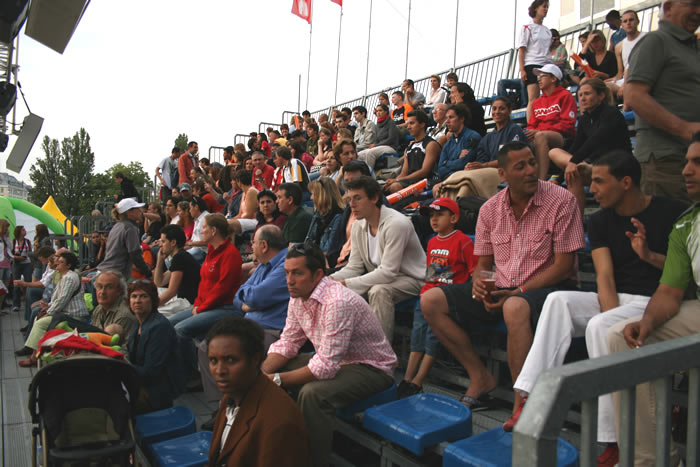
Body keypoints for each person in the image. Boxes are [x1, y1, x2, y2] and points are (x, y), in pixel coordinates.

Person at [510, 152, 687, 464]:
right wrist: (610, 312)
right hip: (615, 297)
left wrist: (648, 255)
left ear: (626, 182)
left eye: (600, 182)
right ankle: (530, 395)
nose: (592, 190)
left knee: (600, 326)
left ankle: (612, 437)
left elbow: (680, 274)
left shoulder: (670, 212)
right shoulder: (600, 220)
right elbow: (604, 275)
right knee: (558, 301)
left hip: (653, 301)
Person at [421, 141, 585, 415]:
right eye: (520, 166)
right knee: (431, 301)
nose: (530, 170)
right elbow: (484, 265)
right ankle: (480, 376)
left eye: (532, 162)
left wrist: (518, 291)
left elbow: (564, 266)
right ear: (503, 174)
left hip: (551, 288)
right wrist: (483, 287)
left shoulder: (561, 200)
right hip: (504, 286)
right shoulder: (490, 209)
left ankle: (523, 402)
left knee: (514, 306)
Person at [607, 134, 700, 466]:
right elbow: (670, 291)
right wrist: (645, 325)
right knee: (621, 337)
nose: (686, 170)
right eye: (686, 162)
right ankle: (651, 460)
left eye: (697, 162)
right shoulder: (686, 224)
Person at [262, 242, 397, 467]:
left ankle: (311, 461)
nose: (289, 280)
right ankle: (283, 438)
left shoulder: (338, 302)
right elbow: (289, 342)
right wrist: (261, 373)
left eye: (297, 273)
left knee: (313, 394)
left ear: (317, 275)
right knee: (276, 365)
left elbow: (325, 366)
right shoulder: (298, 296)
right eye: (287, 273)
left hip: (371, 367)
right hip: (338, 360)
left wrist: (274, 380)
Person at [198, 226, 292, 419]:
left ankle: (237, 409)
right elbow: (238, 296)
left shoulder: (286, 265)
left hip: (272, 331)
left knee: (230, 353)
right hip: (249, 326)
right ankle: (224, 407)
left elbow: (256, 296)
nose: (251, 247)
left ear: (264, 245)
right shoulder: (264, 265)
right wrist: (247, 304)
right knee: (206, 347)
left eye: (253, 243)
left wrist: (249, 300)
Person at [331, 176, 426, 341]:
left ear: (374, 198)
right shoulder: (358, 225)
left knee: (379, 291)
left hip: (413, 278)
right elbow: (354, 267)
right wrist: (329, 280)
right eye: (349, 199)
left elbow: (388, 272)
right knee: (331, 287)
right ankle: (337, 344)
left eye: (357, 198)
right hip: (384, 277)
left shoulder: (397, 224)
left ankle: (380, 351)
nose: (352, 204)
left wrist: (345, 284)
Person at [399, 198, 476, 399]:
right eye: (431, 215)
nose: (434, 219)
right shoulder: (432, 241)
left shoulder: (463, 241)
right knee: (417, 337)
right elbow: (431, 272)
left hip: (445, 301)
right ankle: (407, 379)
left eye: (440, 214)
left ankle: (417, 381)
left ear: (454, 218)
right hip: (426, 295)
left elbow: (474, 271)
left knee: (432, 339)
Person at [206, 317, 310, 467]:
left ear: (255, 359)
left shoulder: (279, 422)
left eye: (230, 360)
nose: (219, 371)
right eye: (213, 361)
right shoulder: (231, 395)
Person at [624, 0, 700, 201]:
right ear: (668, 8)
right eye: (692, 4)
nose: (698, 11)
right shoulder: (656, 41)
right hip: (665, 162)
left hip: (689, 159)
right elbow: (633, 95)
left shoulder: (692, 47)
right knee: (669, 220)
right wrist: (685, 129)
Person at [168, 213, 243, 383]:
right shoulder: (211, 252)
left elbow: (222, 288)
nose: (201, 231)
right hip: (208, 306)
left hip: (225, 307)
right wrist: (197, 304)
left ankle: (192, 376)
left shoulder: (230, 254)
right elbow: (204, 284)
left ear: (213, 230)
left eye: (203, 228)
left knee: (180, 330)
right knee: (168, 323)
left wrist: (201, 308)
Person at [549, 78, 631, 210]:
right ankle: (576, 221)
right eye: (580, 95)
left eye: (587, 94)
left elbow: (596, 140)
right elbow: (576, 148)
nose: (582, 98)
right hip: (593, 166)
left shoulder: (611, 114)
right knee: (557, 155)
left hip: (616, 166)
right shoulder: (585, 119)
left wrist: (573, 162)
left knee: (576, 169)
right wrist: (558, 179)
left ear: (601, 95)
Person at [17, 252, 89, 367]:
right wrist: (48, 305)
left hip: (72, 315)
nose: (57, 264)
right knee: (38, 317)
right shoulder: (65, 276)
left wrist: (48, 312)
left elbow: (62, 300)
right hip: (65, 313)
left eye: (61, 262)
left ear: (68, 265)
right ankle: (35, 353)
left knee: (40, 322)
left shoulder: (69, 278)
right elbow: (58, 298)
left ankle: (34, 356)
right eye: (58, 261)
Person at [127, 280, 185, 413]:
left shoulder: (159, 327)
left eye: (143, 296)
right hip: (143, 383)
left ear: (153, 300)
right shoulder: (138, 323)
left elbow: (150, 372)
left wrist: (122, 367)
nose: (138, 301)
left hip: (156, 393)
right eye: (134, 296)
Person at [526, 64, 577, 179]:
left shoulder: (565, 96)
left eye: (542, 76)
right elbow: (531, 125)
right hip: (541, 134)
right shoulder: (537, 102)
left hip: (562, 137)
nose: (538, 79)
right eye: (538, 76)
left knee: (540, 136)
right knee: (517, 137)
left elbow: (567, 125)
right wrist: (527, 132)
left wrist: (539, 131)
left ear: (553, 79)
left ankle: (541, 180)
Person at [385, 110, 441, 193]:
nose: (408, 127)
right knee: (388, 187)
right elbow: (404, 173)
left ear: (422, 124)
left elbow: (424, 172)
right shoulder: (409, 147)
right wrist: (395, 180)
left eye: (412, 123)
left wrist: (399, 180)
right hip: (411, 181)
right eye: (407, 124)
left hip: (427, 182)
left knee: (395, 187)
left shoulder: (431, 144)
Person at [99, 199, 152, 280]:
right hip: (115, 275)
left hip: (104, 272)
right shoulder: (130, 228)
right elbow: (135, 255)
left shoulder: (117, 226)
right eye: (137, 209)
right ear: (129, 212)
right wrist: (148, 273)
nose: (140, 211)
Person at [517, 0, 552, 122]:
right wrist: (522, 69)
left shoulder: (547, 30)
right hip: (532, 64)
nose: (546, 9)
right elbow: (521, 50)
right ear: (536, 8)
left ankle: (545, 121)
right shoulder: (527, 28)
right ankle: (531, 124)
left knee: (548, 95)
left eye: (547, 7)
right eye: (544, 6)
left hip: (546, 65)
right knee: (533, 98)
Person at [154, 224, 201, 312]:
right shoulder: (180, 256)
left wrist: (151, 306)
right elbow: (159, 282)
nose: (161, 245)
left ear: (173, 243)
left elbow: (171, 292)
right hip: (183, 299)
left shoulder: (180, 257)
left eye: (163, 241)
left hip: (188, 302)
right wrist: (160, 261)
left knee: (156, 311)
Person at [435, 104, 482, 182]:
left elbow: (464, 163)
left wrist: (446, 163)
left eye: (451, 117)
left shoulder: (472, 137)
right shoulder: (448, 144)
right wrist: (455, 165)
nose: (447, 121)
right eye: (446, 118)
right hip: (450, 179)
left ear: (462, 119)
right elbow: (440, 169)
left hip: (468, 180)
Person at [605, 10, 645, 101]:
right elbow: (620, 73)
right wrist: (613, 79)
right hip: (626, 80)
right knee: (601, 87)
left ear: (637, 21)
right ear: (622, 24)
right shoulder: (619, 47)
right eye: (625, 21)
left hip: (641, 78)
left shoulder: (647, 38)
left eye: (631, 20)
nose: (628, 23)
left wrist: (625, 84)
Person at [90, 270, 138, 342]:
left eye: (109, 287)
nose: (102, 292)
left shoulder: (123, 315)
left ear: (120, 291)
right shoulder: (99, 308)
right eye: (99, 287)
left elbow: (118, 345)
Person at [305, 177, 345, 256]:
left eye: (313, 194)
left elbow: (329, 250)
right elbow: (308, 239)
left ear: (322, 195)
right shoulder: (318, 213)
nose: (311, 198)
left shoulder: (338, 217)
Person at [357, 104, 400, 170]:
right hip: (379, 147)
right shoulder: (378, 124)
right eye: (377, 111)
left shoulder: (391, 122)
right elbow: (376, 139)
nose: (378, 113)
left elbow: (391, 139)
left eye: (380, 110)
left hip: (391, 147)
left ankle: (369, 174)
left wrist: (376, 145)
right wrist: (374, 144)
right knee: (359, 154)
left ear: (386, 112)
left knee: (369, 153)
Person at [11, 224, 33, 312]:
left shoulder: (27, 241)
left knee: (28, 281)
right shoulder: (14, 242)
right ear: (19, 232)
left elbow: (30, 252)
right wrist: (16, 257)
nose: (25, 231)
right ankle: (16, 304)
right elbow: (10, 252)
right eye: (23, 230)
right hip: (17, 263)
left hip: (27, 263)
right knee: (16, 283)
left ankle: (28, 301)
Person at [185, 197, 210, 263]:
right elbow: (193, 240)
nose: (189, 211)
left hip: (203, 251)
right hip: (195, 248)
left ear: (196, 207)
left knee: (180, 258)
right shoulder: (197, 219)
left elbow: (206, 242)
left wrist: (189, 243)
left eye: (190, 208)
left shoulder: (207, 218)